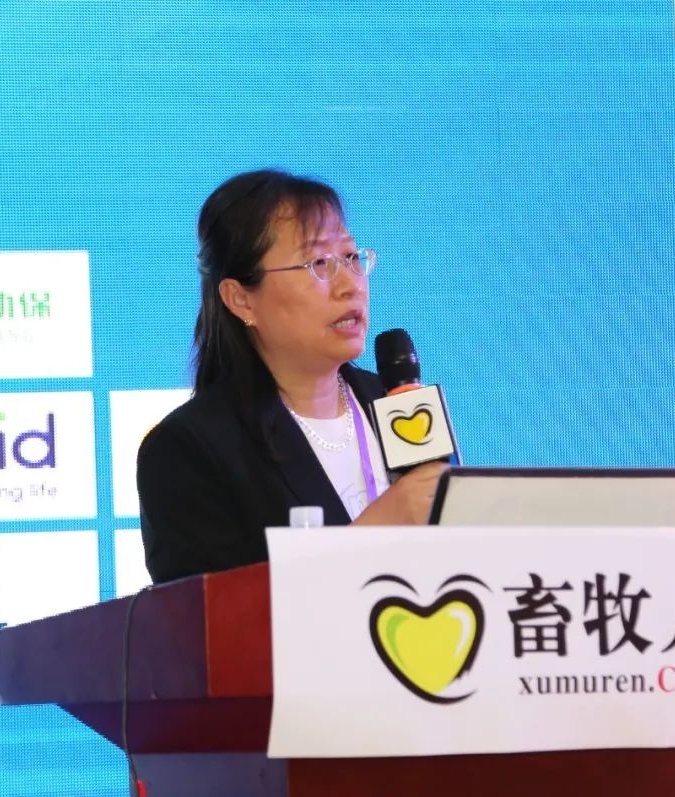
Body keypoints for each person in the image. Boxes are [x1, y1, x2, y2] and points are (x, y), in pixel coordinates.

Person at [137, 169, 446, 584]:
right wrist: (375, 532)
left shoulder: (398, 403)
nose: (350, 285)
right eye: (318, 263)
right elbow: (211, 617)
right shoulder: (189, 450)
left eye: (351, 258)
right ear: (241, 298)